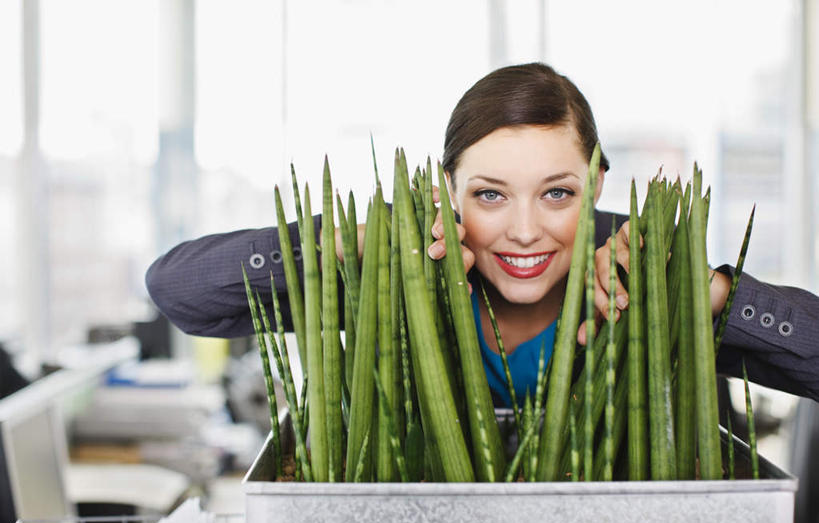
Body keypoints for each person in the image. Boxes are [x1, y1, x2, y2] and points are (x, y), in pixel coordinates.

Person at [145, 62, 819, 406]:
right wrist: (349, 241)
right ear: (447, 187)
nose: (524, 232)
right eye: (490, 194)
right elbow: (178, 291)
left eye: (557, 192)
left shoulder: (636, 274)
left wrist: (712, 294)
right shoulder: (398, 274)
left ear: (598, 184)